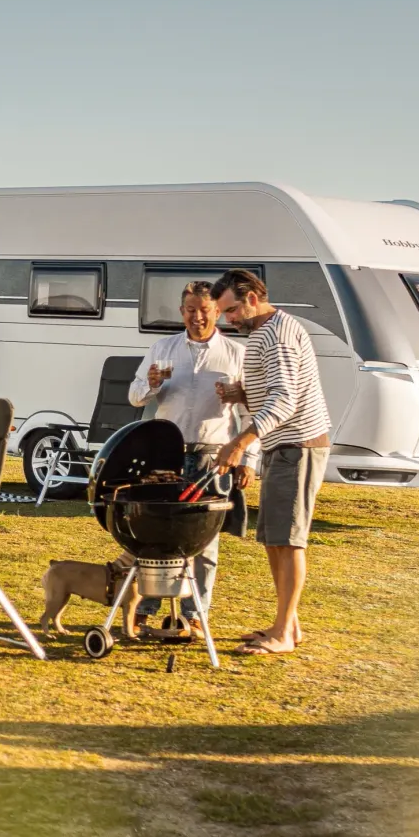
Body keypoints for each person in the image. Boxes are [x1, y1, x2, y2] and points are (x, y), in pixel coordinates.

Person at [211, 269, 331, 655]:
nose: (227, 320)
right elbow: (274, 389)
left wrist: (240, 441)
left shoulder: (275, 334)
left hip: (299, 444)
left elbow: (285, 399)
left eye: (229, 311)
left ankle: (283, 633)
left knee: (289, 541)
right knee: (274, 539)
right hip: (284, 445)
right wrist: (241, 393)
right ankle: (287, 625)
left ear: (250, 299)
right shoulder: (267, 331)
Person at [128, 279, 251, 631]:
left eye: (205, 310)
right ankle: (143, 609)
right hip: (165, 454)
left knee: (204, 540)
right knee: (156, 533)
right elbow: (135, 398)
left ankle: (196, 615)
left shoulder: (235, 354)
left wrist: (248, 459)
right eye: (191, 310)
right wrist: (151, 383)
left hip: (214, 455)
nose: (198, 317)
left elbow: (249, 412)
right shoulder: (163, 348)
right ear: (182, 311)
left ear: (217, 312)